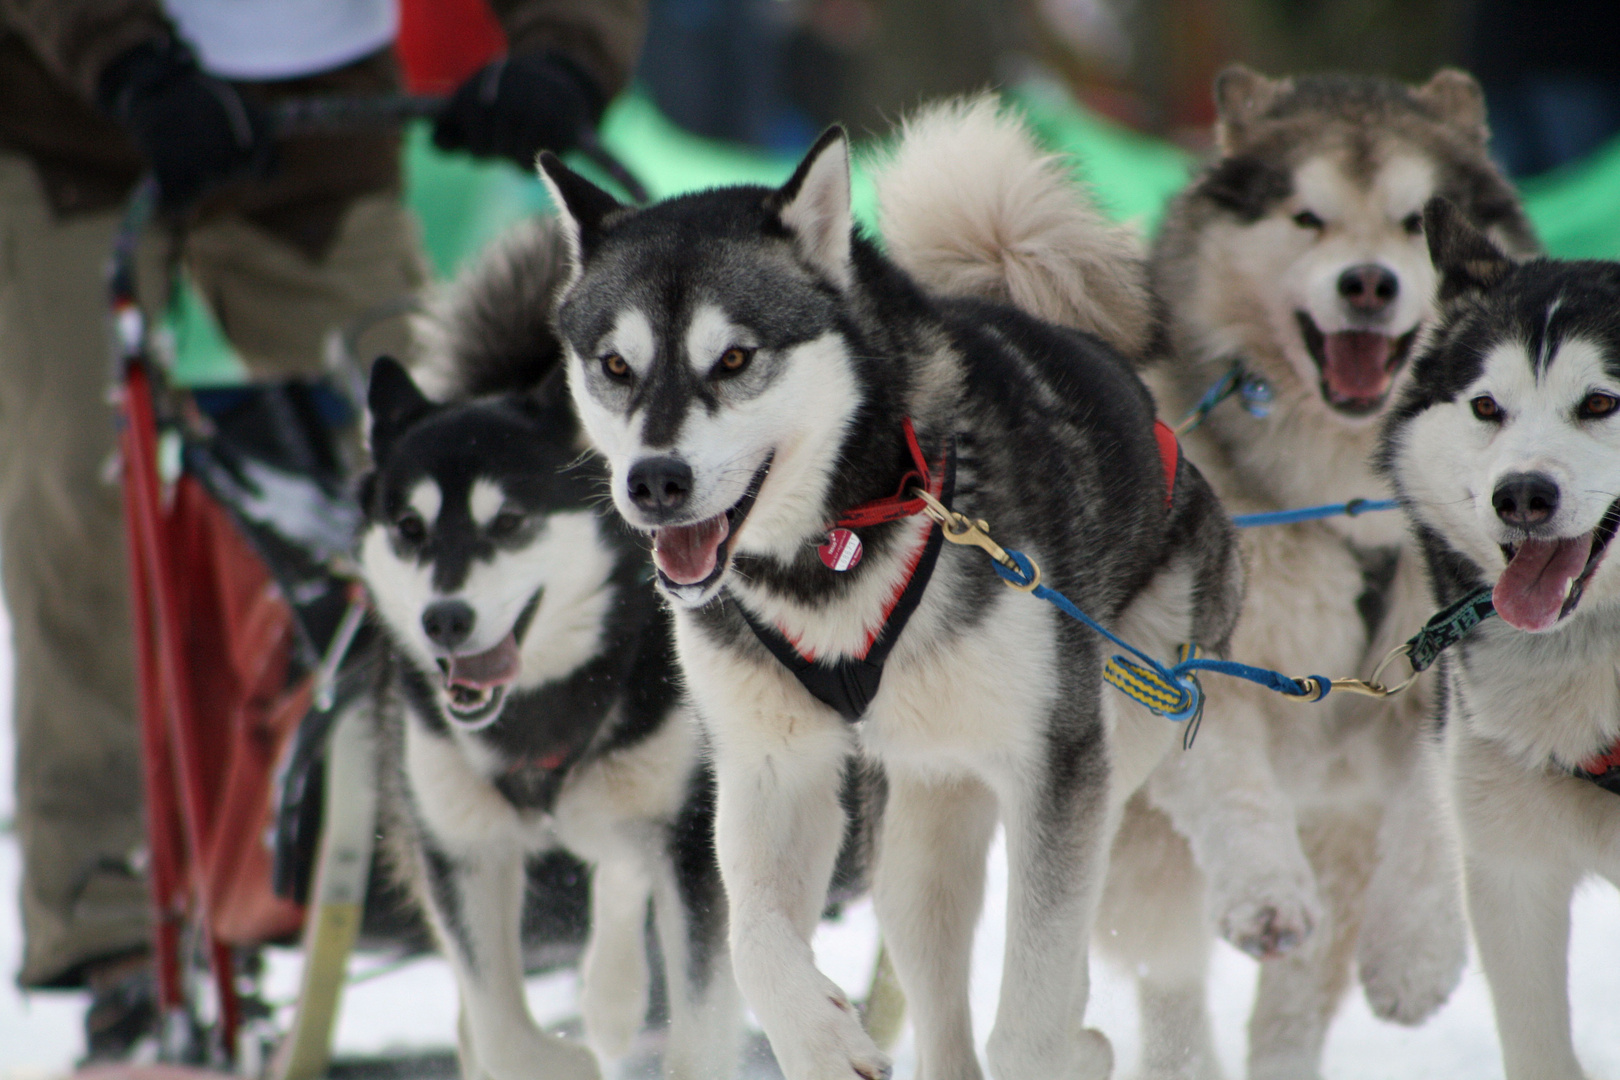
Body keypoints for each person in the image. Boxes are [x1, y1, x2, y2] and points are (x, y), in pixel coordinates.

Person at [0, 0, 643, 1059]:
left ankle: (542, 855)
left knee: (448, 465)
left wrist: (564, 55)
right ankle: (114, 939)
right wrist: (126, 62)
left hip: (324, 126)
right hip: (76, 130)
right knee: (81, 496)